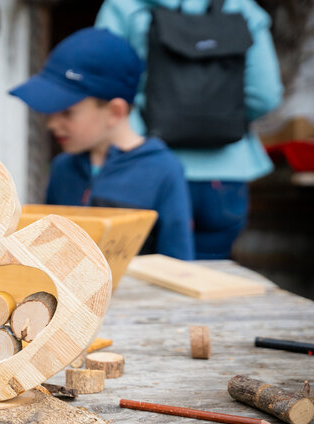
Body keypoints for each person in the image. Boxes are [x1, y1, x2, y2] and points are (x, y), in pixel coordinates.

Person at [96, 0, 283, 259]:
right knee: (207, 279)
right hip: (223, 173)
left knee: (139, 275)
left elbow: (104, 83)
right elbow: (266, 95)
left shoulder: (125, 6)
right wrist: (222, 120)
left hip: (146, 167)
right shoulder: (243, 8)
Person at [10, 28, 194, 260]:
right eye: (51, 112)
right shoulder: (63, 168)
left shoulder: (163, 171)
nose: (52, 124)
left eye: (67, 112)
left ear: (115, 112)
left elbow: (178, 263)